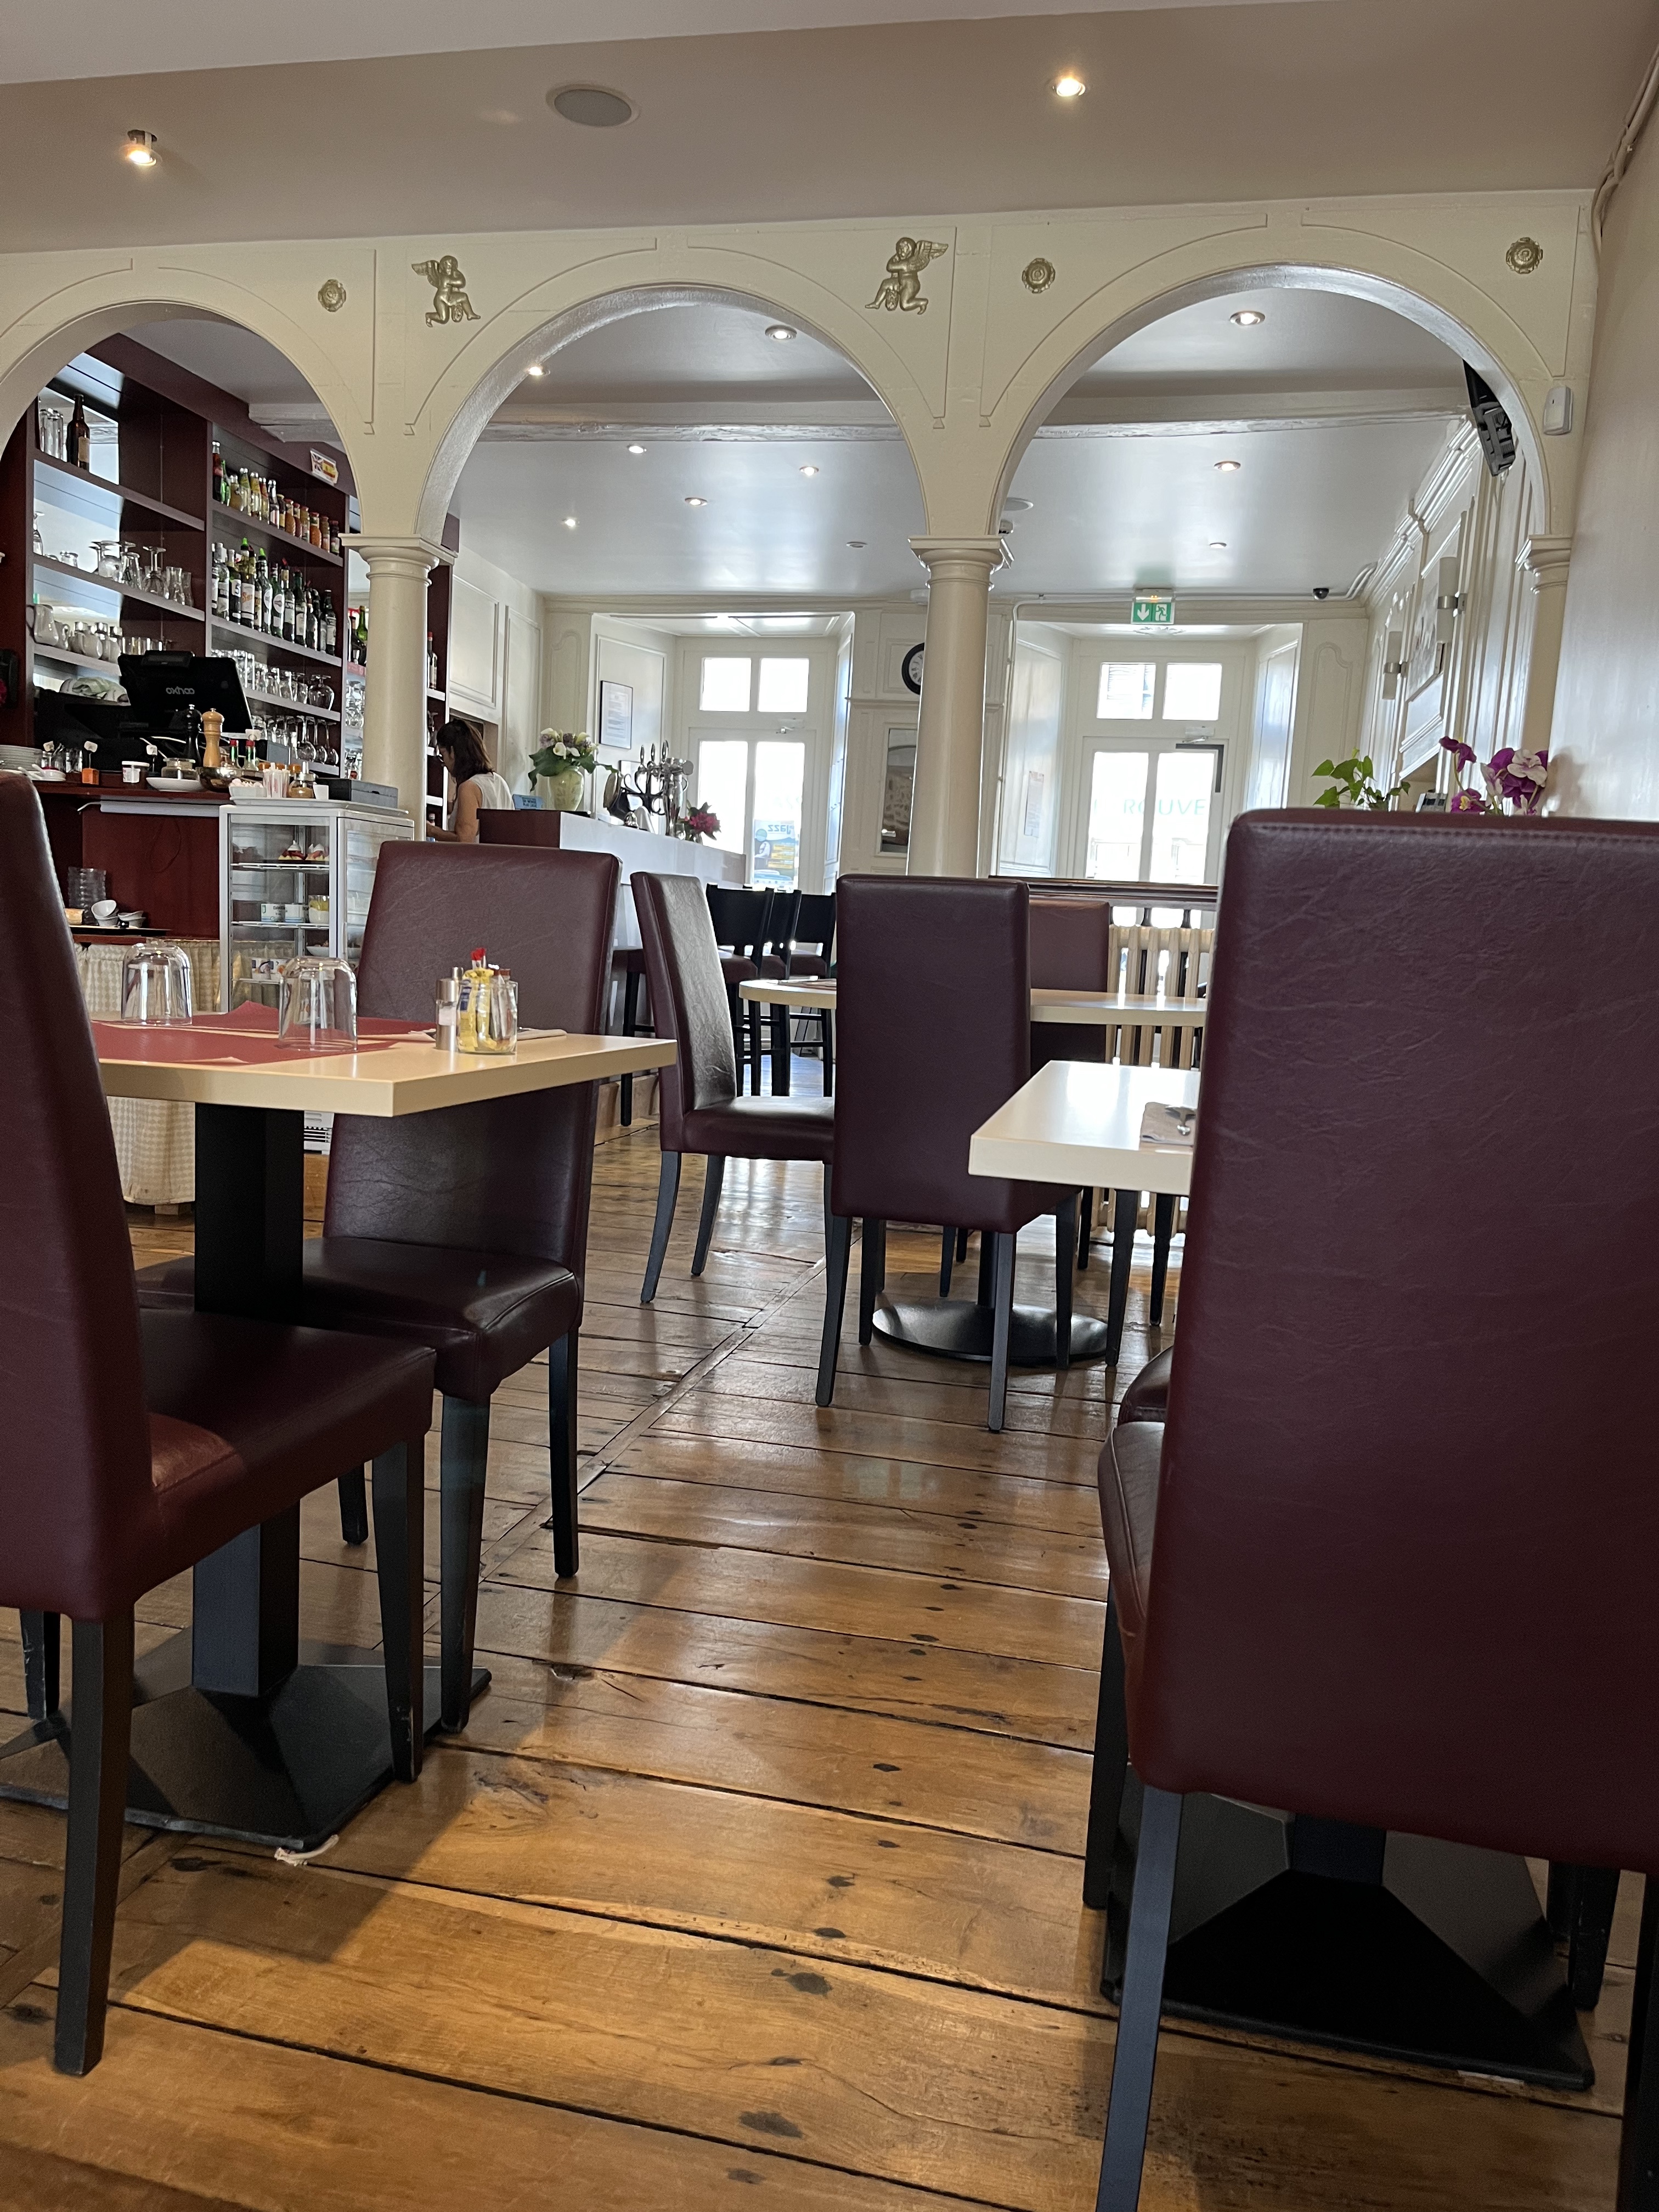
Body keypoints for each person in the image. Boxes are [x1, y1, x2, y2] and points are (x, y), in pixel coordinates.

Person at [431, 718, 513, 843]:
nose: (444, 764)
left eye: (443, 755)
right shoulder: (500, 783)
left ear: (453, 752)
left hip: (479, 856)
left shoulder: (469, 788)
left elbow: (464, 841)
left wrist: (432, 831)